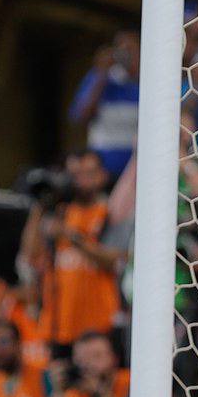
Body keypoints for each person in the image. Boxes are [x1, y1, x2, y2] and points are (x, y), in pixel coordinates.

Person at [20, 151, 124, 360]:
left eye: (88, 173)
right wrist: (40, 207)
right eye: (75, 174)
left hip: (99, 327)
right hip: (57, 326)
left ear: (102, 176)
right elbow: (30, 256)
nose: (81, 180)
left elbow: (114, 260)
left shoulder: (111, 212)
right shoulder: (58, 213)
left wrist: (69, 236)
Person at [69, 31, 141, 179]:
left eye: (131, 50)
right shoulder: (100, 79)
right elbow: (80, 116)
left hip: (137, 169)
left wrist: (136, 72)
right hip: (102, 170)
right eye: (121, 50)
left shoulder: (150, 81)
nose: (126, 56)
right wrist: (101, 73)